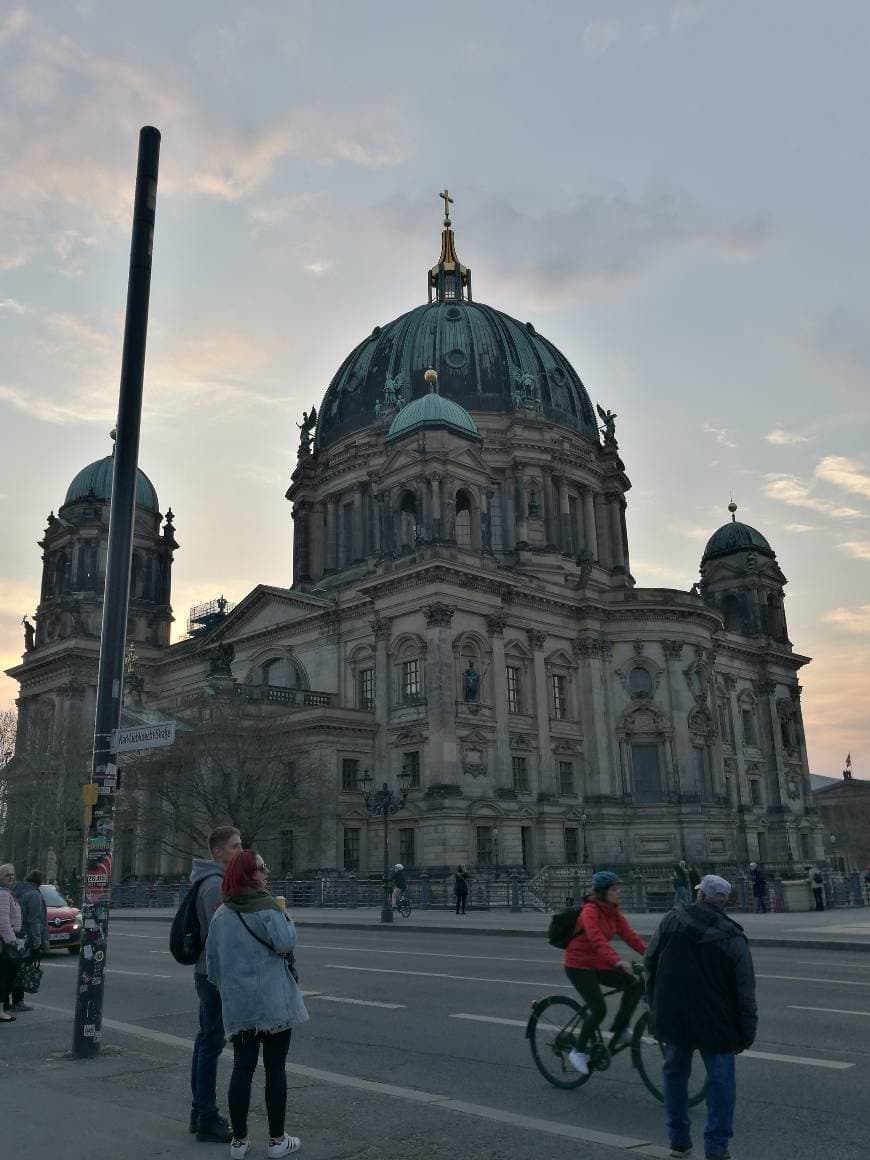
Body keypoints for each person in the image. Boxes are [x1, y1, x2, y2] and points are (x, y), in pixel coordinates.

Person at [645, 874, 757, 1160]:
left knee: (675, 1073)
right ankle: (716, 1149)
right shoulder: (733, 936)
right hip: (716, 1022)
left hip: (675, 1014)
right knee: (721, 1081)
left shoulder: (671, 920)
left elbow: (650, 962)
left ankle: (679, 1141)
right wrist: (747, 1030)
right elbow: (745, 990)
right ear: (725, 901)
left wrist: (654, 1006)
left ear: (700, 895)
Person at [207, 849, 308, 1158]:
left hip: (240, 1006)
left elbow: (213, 968)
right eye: (262, 869)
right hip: (274, 1003)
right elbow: (286, 942)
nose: (266, 874)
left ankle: (239, 1142)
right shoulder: (268, 907)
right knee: (275, 1070)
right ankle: (277, 1141)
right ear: (251, 874)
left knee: (242, 1069)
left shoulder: (221, 914)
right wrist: (285, 914)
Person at [562, 870, 647, 1076]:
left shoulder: (613, 912)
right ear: (603, 892)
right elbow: (596, 939)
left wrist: (653, 955)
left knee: (636, 983)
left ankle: (621, 1027)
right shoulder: (589, 912)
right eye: (614, 889)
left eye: (619, 888)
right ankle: (578, 1050)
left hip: (598, 963)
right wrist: (617, 961)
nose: (619, 892)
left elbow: (631, 937)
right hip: (578, 964)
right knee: (599, 1009)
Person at [189, 825, 242, 1143]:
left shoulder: (209, 880)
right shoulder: (213, 885)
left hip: (205, 972)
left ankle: (199, 1111)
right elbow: (221, 937)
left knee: (205, 1042)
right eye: (234, 846)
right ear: (218, 852)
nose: (240, 850)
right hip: (213, 975)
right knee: (210, 1046)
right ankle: (207, 1116)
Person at [9, 869, 48, 1013]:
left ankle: (6, 1002)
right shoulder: (34, 895)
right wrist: (37, 941)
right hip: (25, 939)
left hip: (12, 936)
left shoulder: (15, 890)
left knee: (12, 969)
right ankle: (18, 1002)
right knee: (23, 969)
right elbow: (35, 920)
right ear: (40, 881)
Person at [0, 864, 22, 1023]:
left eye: (13, 875)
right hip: (5, 941)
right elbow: (3, 921)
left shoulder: (7, 893)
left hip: (6, 938)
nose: (11, 878)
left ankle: (3, 1007)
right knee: (5, 976)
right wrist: (12, 941)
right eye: (8, 875)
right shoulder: (3, 894)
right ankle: (1, 1011)